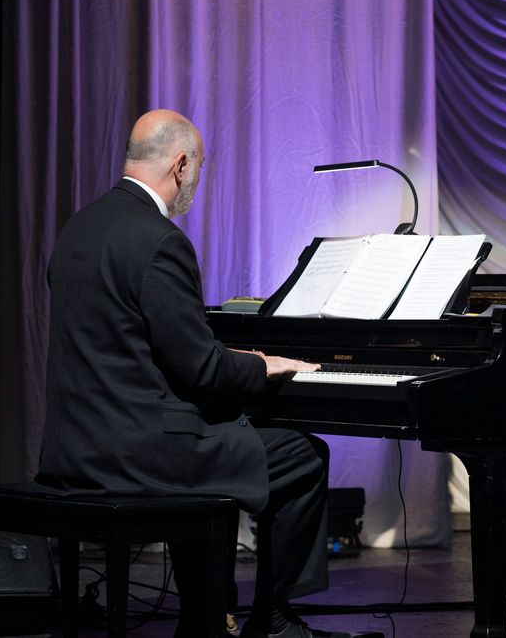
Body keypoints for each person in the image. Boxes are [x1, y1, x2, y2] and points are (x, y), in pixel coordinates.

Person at [36, 110, 334, 638]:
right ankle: (274, 621)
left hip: (74, 449)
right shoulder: (160, 240)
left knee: (218, 436)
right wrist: (262, 364)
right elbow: (201, 369)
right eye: (198, 167)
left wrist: (225, 358)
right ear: (180, 165)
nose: (196, 179)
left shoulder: (80, 227)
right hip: (137, 454)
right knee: (302, 455)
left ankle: (204, 617)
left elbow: (130, 344)